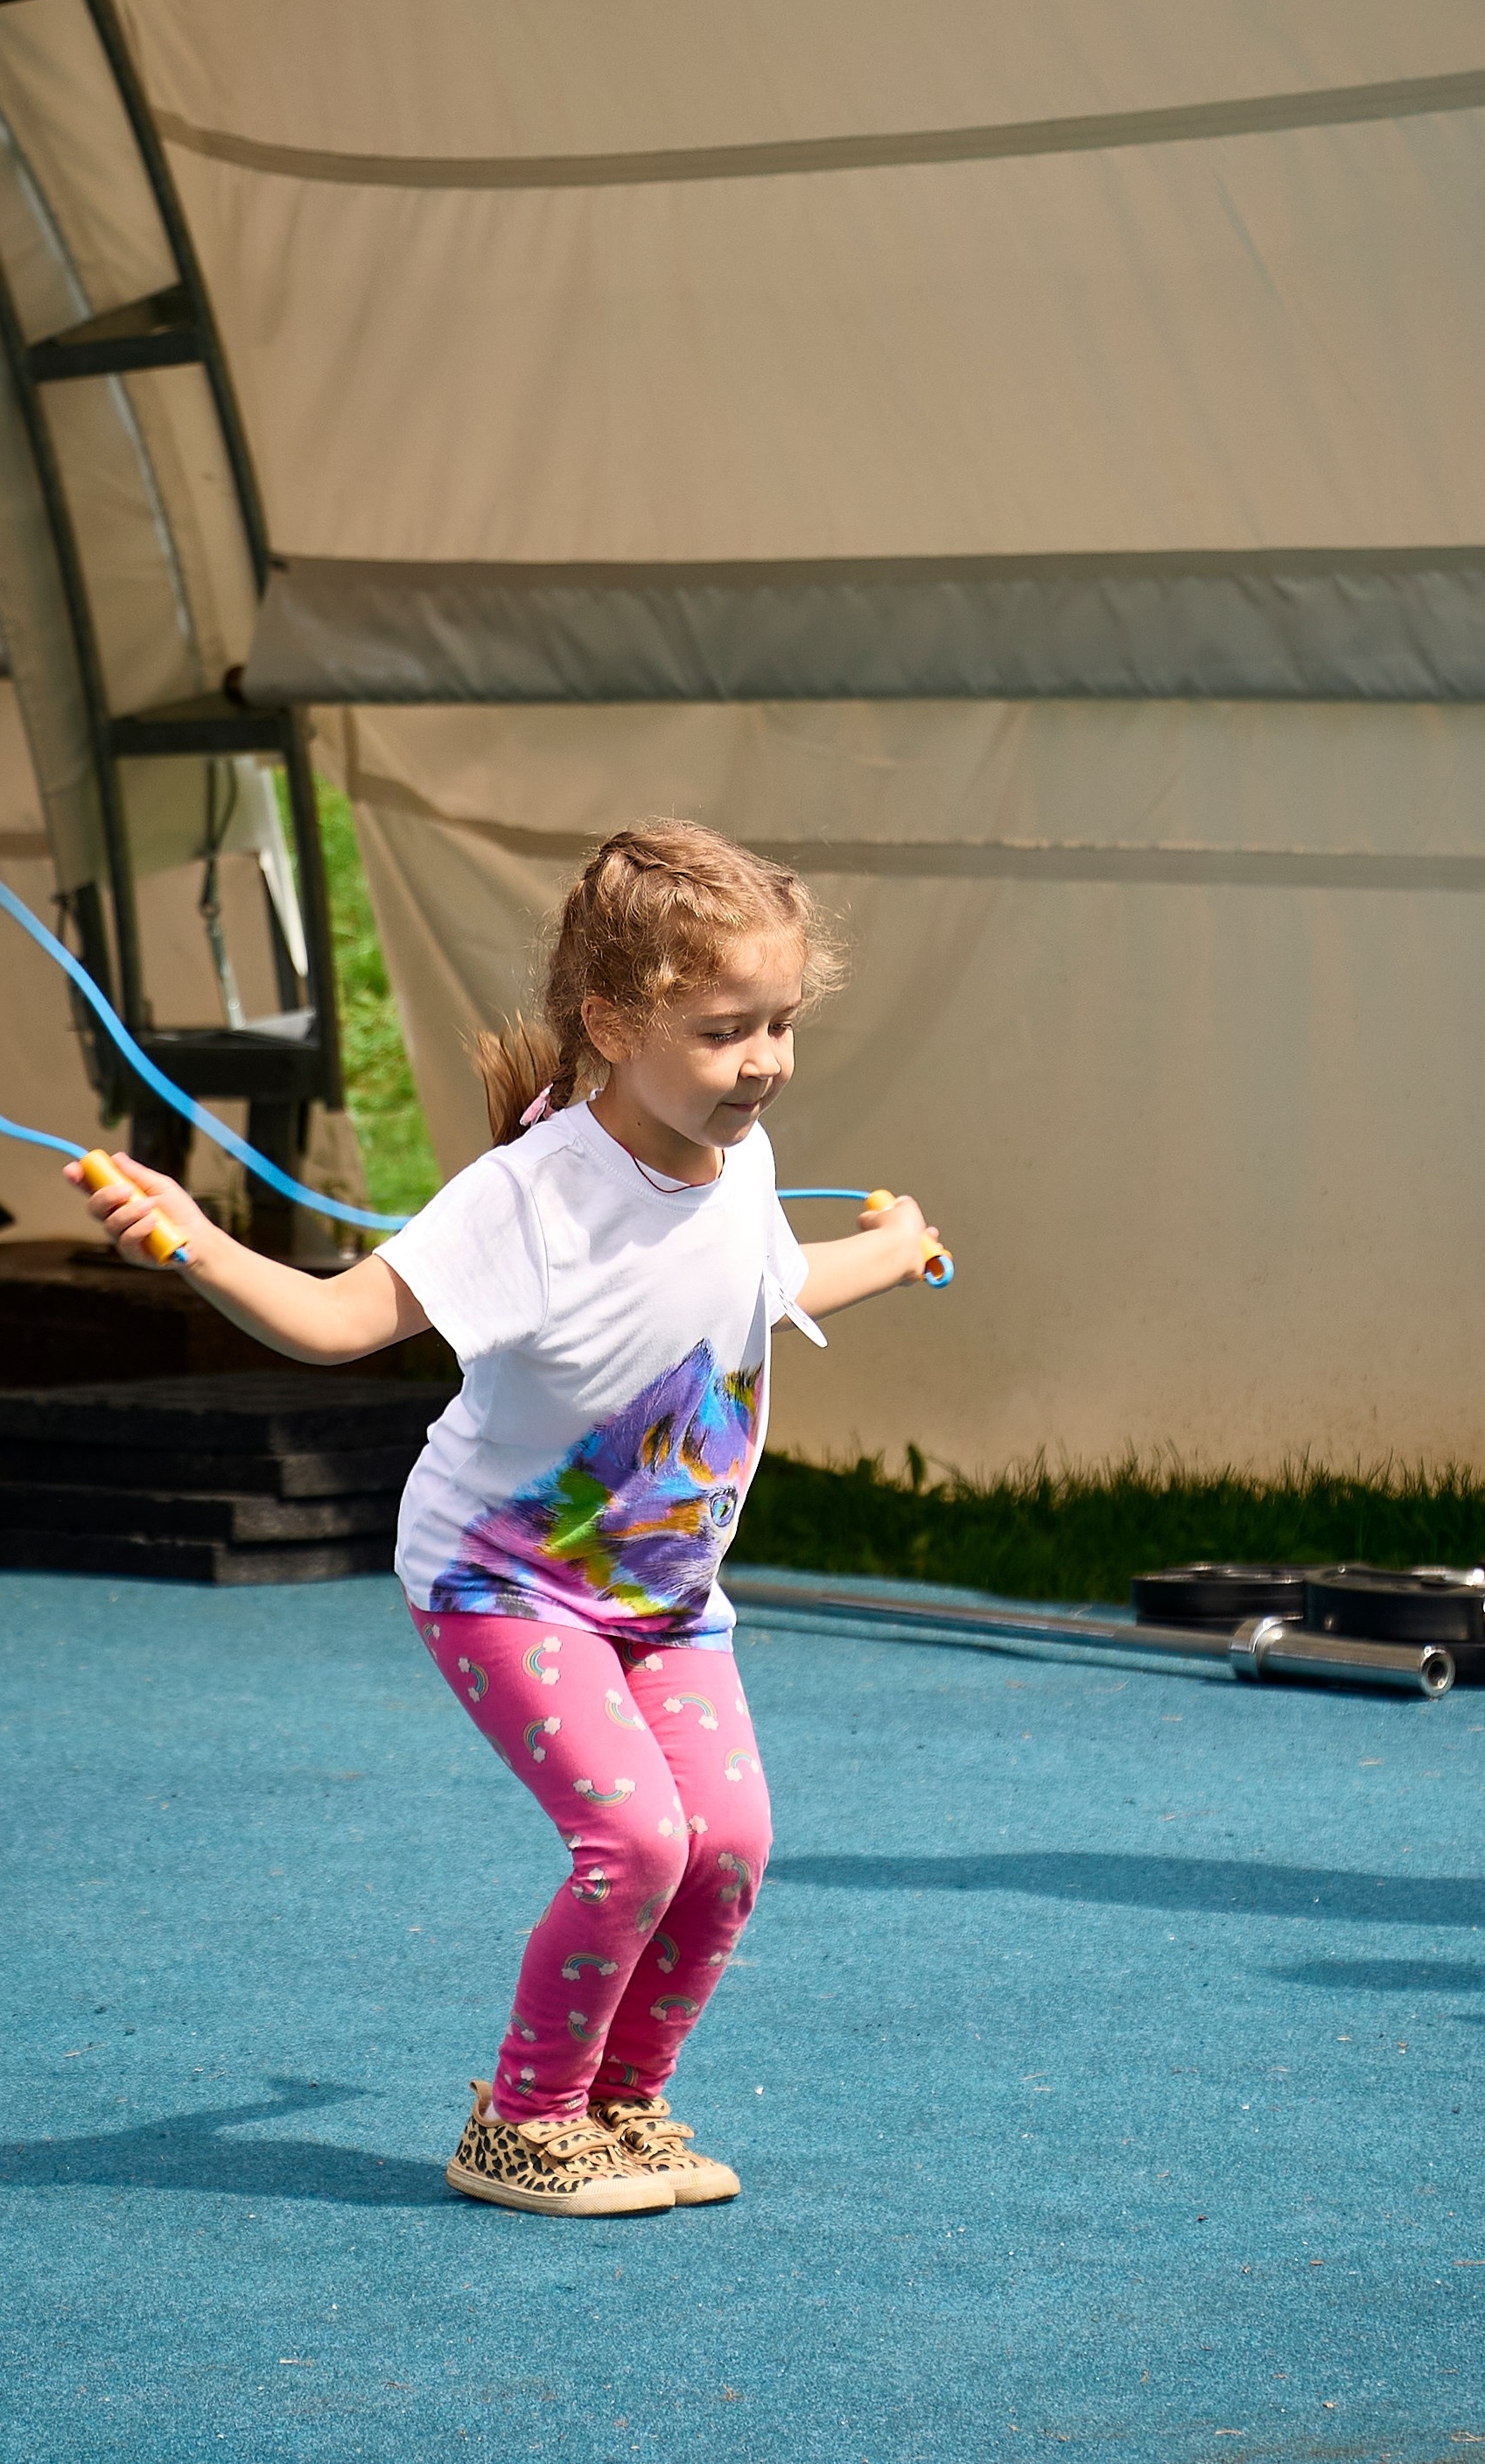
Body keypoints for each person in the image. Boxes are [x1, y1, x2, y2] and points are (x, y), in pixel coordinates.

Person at [72, 820, 943, 2218]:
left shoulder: (748, 1152)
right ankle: (525, 2121)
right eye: (728, 1030)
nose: (767, 1061)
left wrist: (892, 1254)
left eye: (781, 1024)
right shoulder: (524, 1200)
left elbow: (763, 1285)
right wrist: (194, 1239)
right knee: (638, 1844)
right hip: (504, 1581)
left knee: (729, 1847)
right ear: (611, 1020)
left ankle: (624, 2104)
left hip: (664, 1592)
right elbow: (341, 1319)